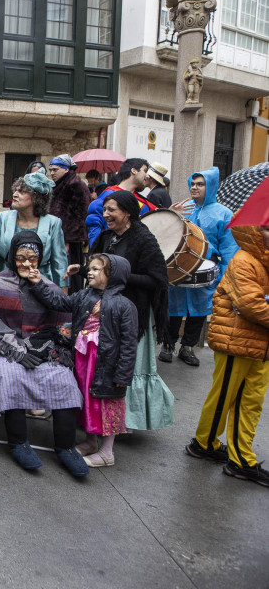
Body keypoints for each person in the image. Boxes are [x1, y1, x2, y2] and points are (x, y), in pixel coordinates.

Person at [0, 231, 88, 476]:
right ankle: (18, 442)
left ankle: (66, 447)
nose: (26, 263)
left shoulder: (50, 287)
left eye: (32, 258)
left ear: (40, 259)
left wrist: (38, 286)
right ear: (12, 257)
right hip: (7, 349)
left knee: (63, 380)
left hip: (44, 349)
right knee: (8, 374)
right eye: (21, 257)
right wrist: (16, 351)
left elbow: (63, 318)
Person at [77, 190, 174, 431]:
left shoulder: (143, 239)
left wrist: (121, 276)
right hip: (103, 308)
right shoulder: (106, 236)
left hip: (131, 313)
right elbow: (96, 267)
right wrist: (80, 269)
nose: (106, 214)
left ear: (128, 213)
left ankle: (126, 420)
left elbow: (157, 279)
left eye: (112, 210)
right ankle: (96, 415)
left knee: (125, 366)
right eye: (105, 209)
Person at [30, 253, 138, 468]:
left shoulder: (125, 306)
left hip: (106, 365)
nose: (90, 272)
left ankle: (107, 452)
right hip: (83, 360)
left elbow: (129, 344)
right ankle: (90, 442)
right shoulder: (84, 296)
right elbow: (58, 301)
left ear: (113, 275)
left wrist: (123, 374)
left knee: (106, 404)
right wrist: (38, 282)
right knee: (87, 401)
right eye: (91, 268)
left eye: (97, 269)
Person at [186, 225, 269, 486]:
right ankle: (205, 443)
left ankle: (241, 458)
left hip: (260, 346)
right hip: (237, 341)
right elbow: (251, 304)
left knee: (250, 403)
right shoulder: (244, 260)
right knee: (224, 397)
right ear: (257, 231)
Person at [162, 167, 238, 366]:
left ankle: (188, 347)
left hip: (206, 270)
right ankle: (168, 345)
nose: (194, 188)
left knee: (199, 309)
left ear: (210, 186)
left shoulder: (224, 214)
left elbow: (229, 247)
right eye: (192, 184)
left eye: (200, 184)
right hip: (178, 267)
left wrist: (223, 275)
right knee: (174, 307)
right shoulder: (184, 208)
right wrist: (172, 216)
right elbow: (166, 233)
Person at [0, 171, 67, 288]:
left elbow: (59, 264)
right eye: (15, 190)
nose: (15, 195)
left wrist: (62, 296)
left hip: (40, 285)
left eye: (21, 192)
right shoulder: (3, 218)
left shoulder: (53, 223)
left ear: (36, 197)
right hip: (6, 283)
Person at [48, 155, 91, 294]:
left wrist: (68, 241)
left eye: (55, 169)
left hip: (69, 240)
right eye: (50, 170)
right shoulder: (61, 184)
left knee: (70, 272)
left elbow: (79, 216)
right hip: (60, 236)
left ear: (66, 169)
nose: (52, 173)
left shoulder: (75, 185)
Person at [86, 158, 154, 246]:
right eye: (145, 171)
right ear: (134, 171)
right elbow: (94, 224)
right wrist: (98, 251)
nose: (147, 176)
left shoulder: (143, 203)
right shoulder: (109, 194)